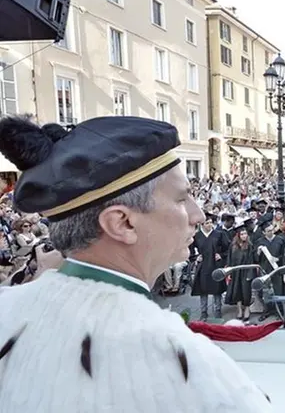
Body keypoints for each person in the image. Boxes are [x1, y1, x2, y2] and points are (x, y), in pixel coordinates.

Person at [0, 115, 271, 411]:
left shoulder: (7, 309)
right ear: (123, 223)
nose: (199, 215)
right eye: (182, 199)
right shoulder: (186, 361)